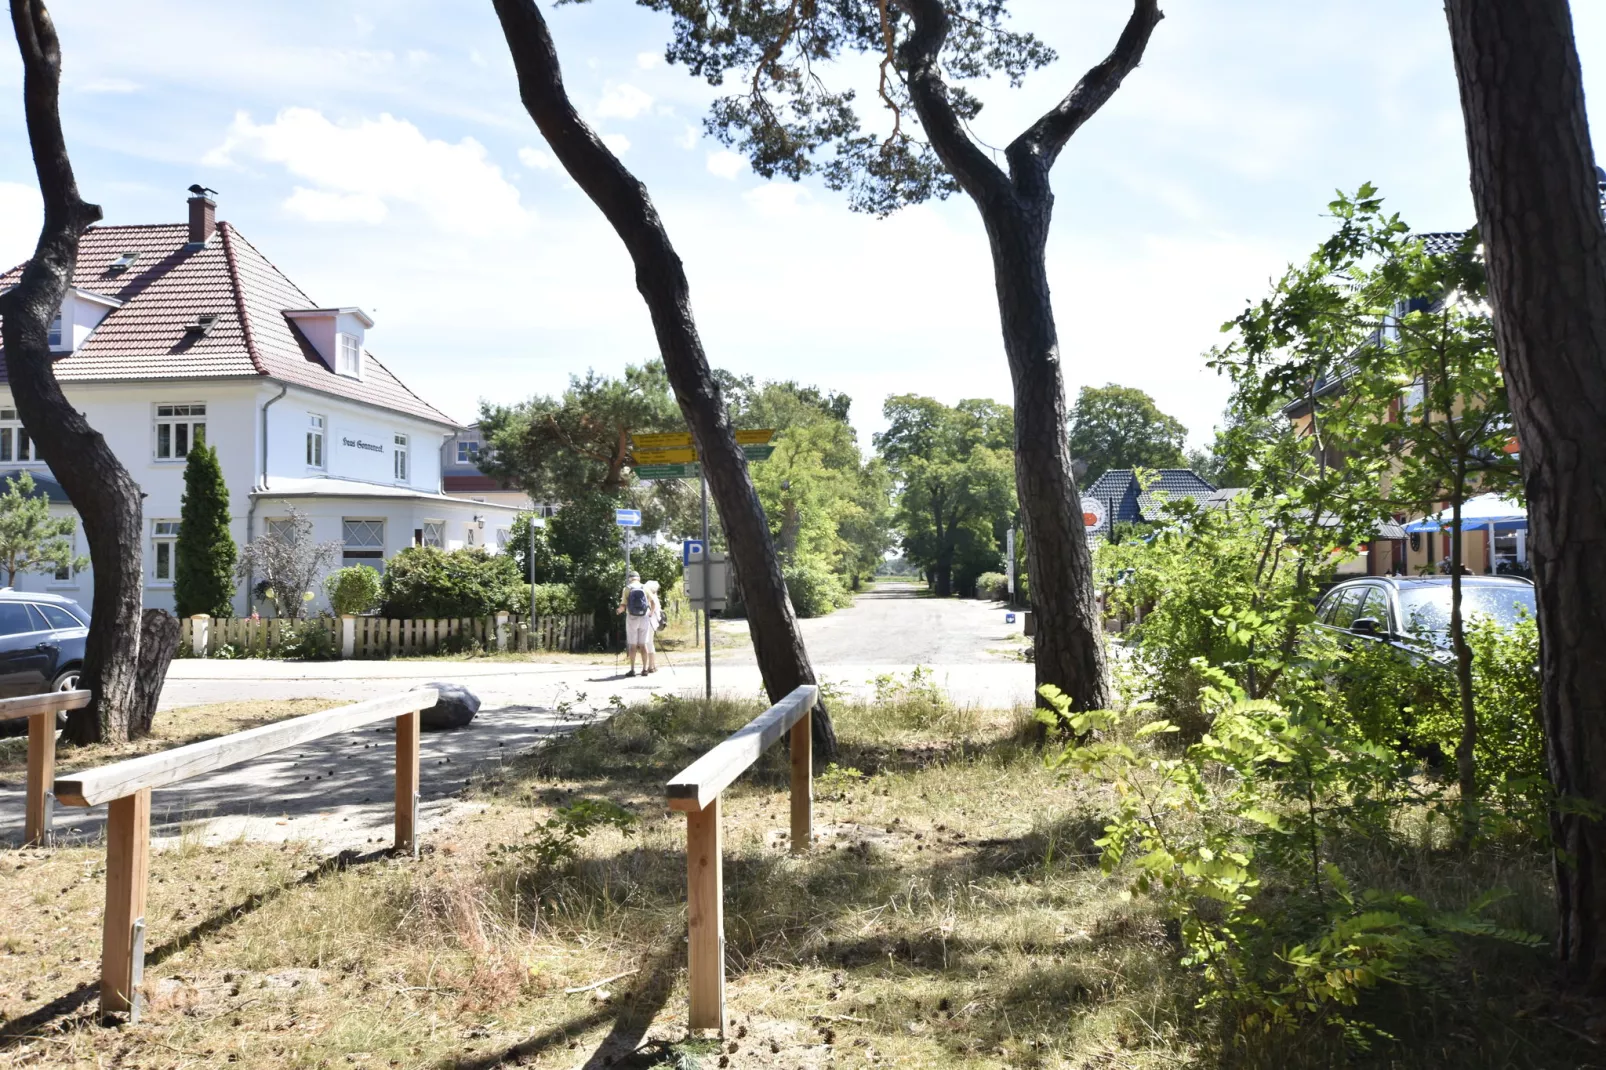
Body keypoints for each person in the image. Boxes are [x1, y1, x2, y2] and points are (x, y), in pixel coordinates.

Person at [617, 570, 658, 676]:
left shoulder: (627, 588)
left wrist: (618, 611)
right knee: (643, 644)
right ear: (638, 578)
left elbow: (623, 605)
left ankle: (632, 669)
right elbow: (653, 603)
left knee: (633, 645)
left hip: (632, 618)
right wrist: (650, 613)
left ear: (630, 579)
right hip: (644, 617)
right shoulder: (645, 587)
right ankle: (644, 669)